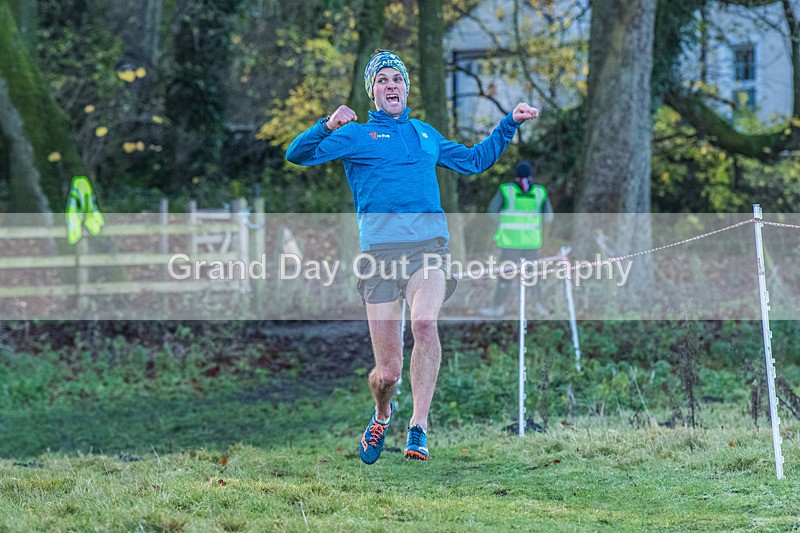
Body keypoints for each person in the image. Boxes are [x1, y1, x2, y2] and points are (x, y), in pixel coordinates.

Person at [286, 49, 539, 463]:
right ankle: (383, 413)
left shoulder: (425, 134)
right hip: (380, 258)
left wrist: (508, 124)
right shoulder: (356, 136)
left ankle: (418, 427)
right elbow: (296, 155)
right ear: (374, 93)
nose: (392, 86)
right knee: (387, 373)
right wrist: (327, 124)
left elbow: (475, 161)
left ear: (406, 88)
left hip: (428, 252)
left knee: (424, 322)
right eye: (383, 80)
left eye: (398, 80)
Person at [481, 161, 553, 318]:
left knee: (505, 276)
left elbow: (492, 211)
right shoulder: (540, 192)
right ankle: (539, 308)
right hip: (532, 243)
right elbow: (548, 217)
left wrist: (503, 224)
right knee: (534, 277)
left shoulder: (506, 190)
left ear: (515, 175)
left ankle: (497, 308)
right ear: (531, 175)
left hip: (510, 242)